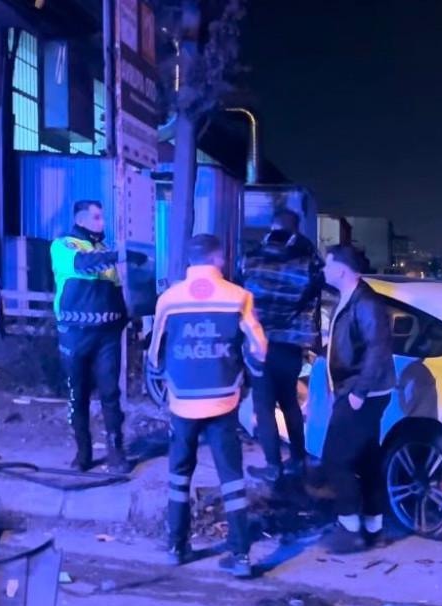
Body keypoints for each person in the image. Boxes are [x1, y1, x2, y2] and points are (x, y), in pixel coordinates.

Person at [148, 234, 268, 579]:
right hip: (223, 398)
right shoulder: (238, 296)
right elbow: (259, 347)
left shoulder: (169, 299)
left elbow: (155, 353)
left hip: (183, 401)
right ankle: (241, 555)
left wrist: (168, 378)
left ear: (190, 259)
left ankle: (176, 547)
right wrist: (248, 374)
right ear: (219, 258)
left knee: (179, 474)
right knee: (231, 477)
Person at [319, 244, 395, 554]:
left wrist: (358, 393)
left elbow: (378, 349)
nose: (323, 270)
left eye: (327, 265)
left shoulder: (365, 302)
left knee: (336, 459)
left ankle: (350, 528)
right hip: (356, 390)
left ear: (340, 270)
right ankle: (374, 528)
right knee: (366, 459)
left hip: (362, 392)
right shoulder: (352, 298)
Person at [240, 210, 323, 483]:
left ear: (272, 227)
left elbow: (243, 291)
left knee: (264, 406)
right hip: (291, 344)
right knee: (289, 401)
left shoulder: (253, 257)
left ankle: (273, 466)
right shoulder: (306, 261)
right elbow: (317, 287)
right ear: (296, 230)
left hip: (260, 343)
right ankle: (298, 459)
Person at [50, 200, 131, 474]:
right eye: (97, 218)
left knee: (111, 394)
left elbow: (116, 290)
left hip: (107, 336)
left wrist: (122, 320)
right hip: (74, 336)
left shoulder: (105, 250)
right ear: (81, 220)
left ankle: (116, 454)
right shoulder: (63, 245)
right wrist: (121, 255)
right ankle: (83, 454)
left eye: (102, 217)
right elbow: (83, 265)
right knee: (78, 395)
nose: (102, 222)